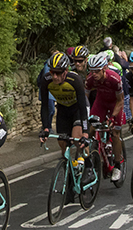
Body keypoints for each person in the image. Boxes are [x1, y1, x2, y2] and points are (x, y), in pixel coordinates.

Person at [38, 51, 94, 185]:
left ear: (66, 71)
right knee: (63, 144)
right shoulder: (46, 81)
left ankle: (89, 165)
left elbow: (82, 107)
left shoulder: (75, 80)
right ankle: (70, 177)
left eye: (58, 73)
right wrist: (46, 127)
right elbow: (45, 106)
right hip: (63, 109)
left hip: (78, 109)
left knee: (77, 138)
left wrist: (85, 132)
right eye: (52, 72)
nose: (55, 76)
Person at [85, 52, 126, 181]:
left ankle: (118, 166)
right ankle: (90, 161)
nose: (94, 74)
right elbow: (85, 97)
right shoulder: (90, 79)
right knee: (90, 130)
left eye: (97, 71)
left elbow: (120, 100)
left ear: (104, 69)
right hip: (101, 102)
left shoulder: (114, 78)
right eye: (92, 71)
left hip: (115, 103)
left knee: (115, 133)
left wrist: (112, 117)